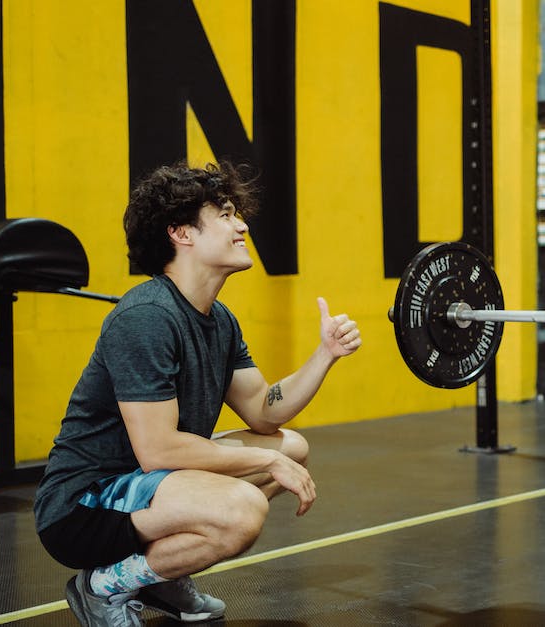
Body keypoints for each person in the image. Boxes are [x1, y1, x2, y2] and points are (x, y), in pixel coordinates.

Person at [33, 162, 362, 627]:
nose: (242, 225)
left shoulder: (218, 319)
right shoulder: (147, 315)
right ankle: (102, 586)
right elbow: (157, 450)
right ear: (181, 233)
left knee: (292, 447)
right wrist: (266, 463)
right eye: (226, 214)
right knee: (242, 508)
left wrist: (324, 355)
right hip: (83, 506)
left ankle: (161, 577)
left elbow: (265, 412)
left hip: (147, 487)